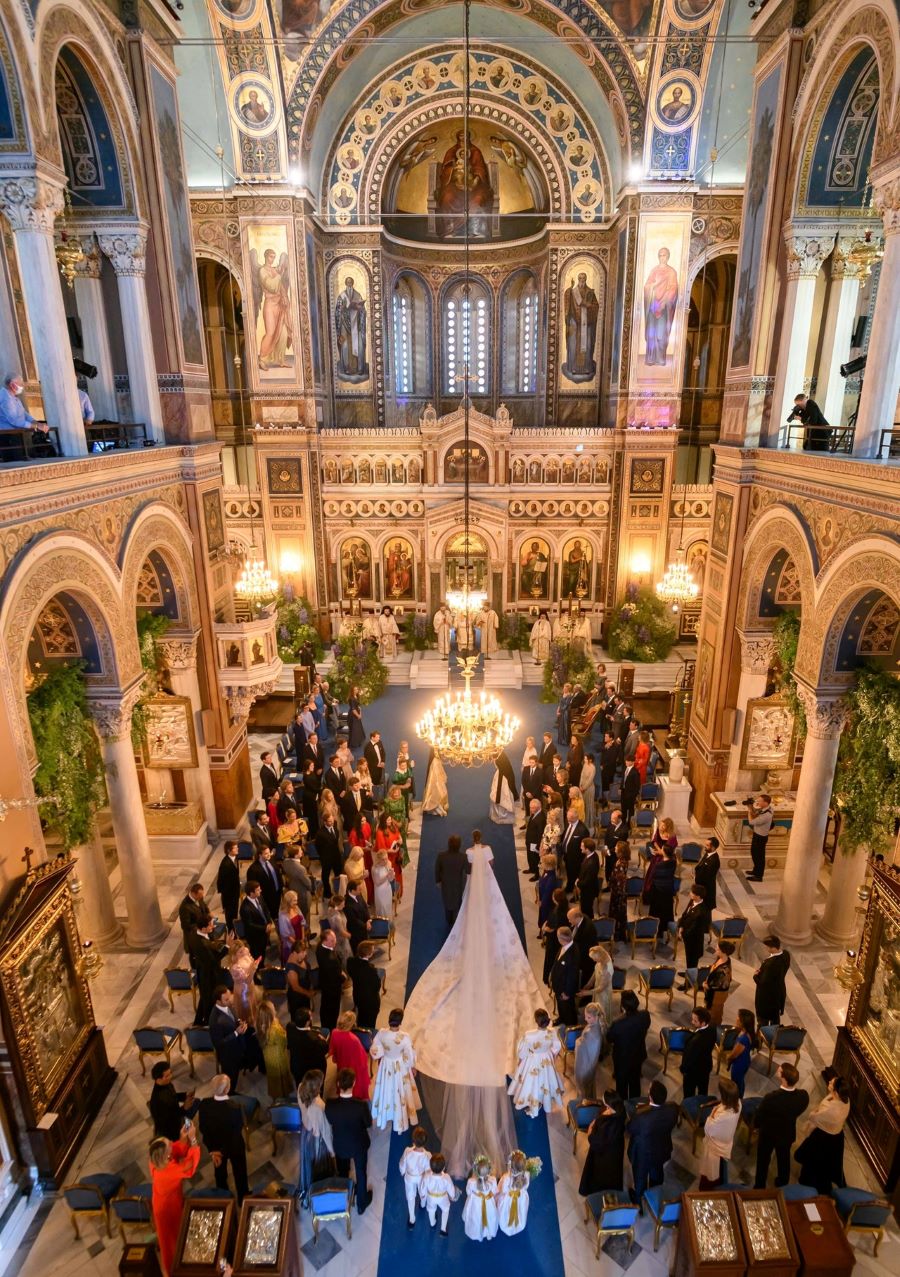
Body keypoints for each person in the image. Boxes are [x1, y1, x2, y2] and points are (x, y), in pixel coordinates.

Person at [148, 1128, 201, 1275]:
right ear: (165, 1155)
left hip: (165, 1200)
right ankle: (175, 1270)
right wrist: (193, 1139)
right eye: (168, 1143)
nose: (172, 1142)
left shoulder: (156, 1160)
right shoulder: (169, 1170)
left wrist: (183, 1138)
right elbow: (189, 1166)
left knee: (175, 1237)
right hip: (168, 1209)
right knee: (171, 1242)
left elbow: (174, 1150)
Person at [753, 1062, 809, 1187]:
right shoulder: (803, 1096)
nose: (777, 1070)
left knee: (763, 1160)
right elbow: (800, 1110)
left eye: (779, 1070)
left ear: (783, 1078)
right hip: (786, 1134)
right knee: (784, 1159)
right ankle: (783, 1182)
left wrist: (756, 1126)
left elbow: (759, 1116)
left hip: (768, 1134)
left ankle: (759, 1185)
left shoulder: (771, 1098)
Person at [325, 1067, 373, 1213]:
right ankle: (361, 1204)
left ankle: (343, 1197)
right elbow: (368, 1123)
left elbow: (331, 1121)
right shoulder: (360, 1106)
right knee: (361, 1172)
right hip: (358, 1144)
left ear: (338, 1085)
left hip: (340, 1144)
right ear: (354, 1083)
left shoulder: (330, 1105)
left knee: (343, 1171)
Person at [794, 1074, 850, 1194]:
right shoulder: (845, 1100)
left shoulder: (831, 1111)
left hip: (823, 1138)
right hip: (836, 1136)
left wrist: (814, 1112)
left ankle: (807, 1183)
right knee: (826, 1163)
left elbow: (814, 1117)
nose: (829, 1081)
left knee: (814, 1162)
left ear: (835, 1092)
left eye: (831, 1083)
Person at [198, 1073, 249, 1202]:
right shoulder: (236, 1108)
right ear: (227, 1089)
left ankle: (224, 1199)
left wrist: (214, 1151)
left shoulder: (204, 1104)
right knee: (240, 1173)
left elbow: (203, 1129)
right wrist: (222, 1151)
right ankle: (243, 1199)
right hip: (234, 1147)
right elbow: (234, 1135)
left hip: (215, 1147)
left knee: (220, 1175)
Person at [627, 1079, 679, 1202]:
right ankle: (655, 1194)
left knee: (640, 1177)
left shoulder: (641, 1117)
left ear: (650, 1097)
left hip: (643, 1153)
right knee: (657, 1172)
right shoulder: (672, 1109)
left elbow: (630, 1128)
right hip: (661, 1148)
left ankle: (638, 1199)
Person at [370, 1008, 421, 1131]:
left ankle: (386, 1113)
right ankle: (398, 1114)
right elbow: (409, 1055)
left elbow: (374, 1050)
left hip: (386, 1065)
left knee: (386, 1089)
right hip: (399, 1066)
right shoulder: (405, 1037)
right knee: (399, 1090)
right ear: (400, 1022)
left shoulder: (382, 1033)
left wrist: (383, 1053)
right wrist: (412, 1066)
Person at [509, 1008, 564, 1117]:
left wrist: (520, 1060)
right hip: (546, 1059)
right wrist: (551, 1054)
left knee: (532, 1081)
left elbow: (523, 1051)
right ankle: (544, 1098)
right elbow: (557, 1046)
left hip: (532, 1060)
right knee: (546, 1080)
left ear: (536, 1021)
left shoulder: (529, 1035)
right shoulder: (552, 1032)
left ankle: (534, 1102)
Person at [297, 1069, 335, 1206]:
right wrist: (331, 1151)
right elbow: (324, 1131)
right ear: (316, 1087)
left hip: (305, 1134)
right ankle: (319, 1195)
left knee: (307, 1165)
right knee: (319, 1169)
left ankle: (306, 1189)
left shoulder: (300, 1088)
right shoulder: (319, 1106)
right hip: (316, 1140)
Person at [578, 1090, 626, 1196]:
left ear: (609, 1105)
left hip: (605, 1153)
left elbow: (597, 1142)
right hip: (616, 1148)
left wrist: (590, 1133)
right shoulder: (621, 1110)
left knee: (602, 1172)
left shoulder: (608, 1126)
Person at [606, 989, 651, 1099]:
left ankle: (623, 1106)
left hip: (622, 1059)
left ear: (623, 1007)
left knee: (621, 1086)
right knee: (635, 1082)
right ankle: (635, 1103)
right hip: (638, 1054)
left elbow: (609, 1039)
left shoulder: (617, 1024)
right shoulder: (645, 1015)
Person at [698, 1079, 742, 1189]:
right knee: (722, 1168)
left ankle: (710, 1189)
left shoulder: (721, 1117)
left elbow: (708, 1128)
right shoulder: (739, 1104)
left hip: (715, 1147)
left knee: (711, 1173)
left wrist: (712, 1114)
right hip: (726, 1142)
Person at [0, 376, 55, 454]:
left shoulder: (14, 398)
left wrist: (37, 423)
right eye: (20, 384)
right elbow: (15, 421)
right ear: (12, 385)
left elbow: (25, 414)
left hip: (15, 435)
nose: (22, 386)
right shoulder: (5, 398)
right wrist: (35, 426)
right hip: (7, 437)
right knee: (16, 461)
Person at [189, 915, 228, 1026]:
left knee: (205, 997)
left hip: (210, 970)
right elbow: (212, 961)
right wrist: (227, 948)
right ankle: (207, 1022)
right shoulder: (199, 943)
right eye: (210, 924)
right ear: (203, 928)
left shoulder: (204, 933)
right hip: (207, 974)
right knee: (208, 998)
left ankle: (197, 1022)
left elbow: (213, 944)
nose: (213, 926)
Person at [208, 987, 248, 1093]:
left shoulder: (227, 1004)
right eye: (226, 999)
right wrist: (236, 1033)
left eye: (229, 997)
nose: (230, 1000)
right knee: (231, 1077)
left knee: (236, 1071)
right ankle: (230, 1093)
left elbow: (233, 1017)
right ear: (218, 1001)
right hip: (228, 1055)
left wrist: (240, 1023)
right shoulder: (215, 1020)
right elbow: (218, 1043)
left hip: (237, 1047)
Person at [148, 1062, 197, 1142]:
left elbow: (173, 1096)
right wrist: (184, 1108)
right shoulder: (160, 1100)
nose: (171, 1076)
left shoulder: (165, 1083)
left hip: (175, 1114)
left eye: (170, 1073)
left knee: (196, 1101)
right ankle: (187, 1130)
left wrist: (185, 1095)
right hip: (171, 1129)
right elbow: (171, 1118)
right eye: (167, 1076)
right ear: (158, 1079)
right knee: (190, 1126)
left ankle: (187, 1124)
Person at [256, 998, 293, 1099]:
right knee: (280, 1076)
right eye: (273, 1009)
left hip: (268, 1055)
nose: (275, 1010)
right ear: (270, 1014)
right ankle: (281, 1095)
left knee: (273, 1075)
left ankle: (275, 1093)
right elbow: (284, 1041)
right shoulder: (275, 1029)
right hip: (278, 1057)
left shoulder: (261, 1024)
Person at [329, 1010, 371, 1099]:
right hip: (353, 1064)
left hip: (341, 1061)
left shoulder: (334, 1032)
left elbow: (333, 1049)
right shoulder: (354, 1039)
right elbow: (362, 1058)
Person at [754, 934, 791, 1026]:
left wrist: (755, 976)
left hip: (767, 997)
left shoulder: (771, 964)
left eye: (767, 946)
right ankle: (774, 1034)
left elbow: (763, 984)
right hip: (778, 990)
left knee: (763, 1020)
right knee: (775, 1017)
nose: (766, 948)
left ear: (773, 948)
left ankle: (762, 1036)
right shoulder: (786, 954)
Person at [399, 1126, 432, 1229]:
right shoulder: (427, 1155)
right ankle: (422, 1204)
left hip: (409, 1177)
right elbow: (428, 1170)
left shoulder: (407, 1151)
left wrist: (402, 1171)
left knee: (410, 1196)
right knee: (423, 1191)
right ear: (425, 1142)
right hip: (421, 1177)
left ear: (413, 1140)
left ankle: (412, 1218)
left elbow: (402, 1163)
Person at [462, 1153, 500, 1242]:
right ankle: (489, 1233)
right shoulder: (493, 1180)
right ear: (489, 1170)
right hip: (488, 1201)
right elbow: (494, 1191)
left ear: (475, 1171)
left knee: (476, 1217)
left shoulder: (471, 1182)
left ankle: (478, 1234)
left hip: (476, 1203)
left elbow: (468, 1192)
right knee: (490, 1215)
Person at [681, 1007, 716, 1099]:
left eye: (695, 1021)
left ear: (703, 1023)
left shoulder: (696, 1041)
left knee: (688, 1094)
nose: (692, 1022)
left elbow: (689, 1058)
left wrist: (683, 1069)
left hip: (693, 1072)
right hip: (706, 1066)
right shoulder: (712, 1028)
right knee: (703, 1091)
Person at [644, 841, 677, 937]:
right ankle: (666, 928)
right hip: (668, 891)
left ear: (664, 852)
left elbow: (654, 877)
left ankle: (656, 931)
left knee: (657, 912)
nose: (660, 850)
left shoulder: (659, 865)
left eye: (662, 849)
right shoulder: (673, 862)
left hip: (658, 892)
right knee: (666, 911)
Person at [287, 1009, 328, 1087]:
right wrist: (322, 1039)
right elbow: (325, 1049)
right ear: (307, 1022)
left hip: (296, 1066)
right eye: (311, 1017)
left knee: (299, 1084)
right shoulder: (315, 1039)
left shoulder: (289, 1027)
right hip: (311, 1069)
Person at [420, 1152, 458, 1235]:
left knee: (431, 1210)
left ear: (430, 1167)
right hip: (443, 1197)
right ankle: (443, 1229)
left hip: (431, 1197)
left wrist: (422, 1194)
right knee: (445, 1210)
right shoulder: (446, 1177)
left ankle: (432, 1223)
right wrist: (452, 1195)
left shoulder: (427, 1176)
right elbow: (450, 1188)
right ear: (444, 1168)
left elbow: (423, 1187)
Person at [435, 833, 467, 929]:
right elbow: (468, 870)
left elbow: (437, 869)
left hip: (446, 884)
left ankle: (448, 920)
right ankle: (455, 921)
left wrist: (438, 881)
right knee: (457, 901)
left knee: (447, 900)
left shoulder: (441, 856)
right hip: (457, 884)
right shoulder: (463, 857)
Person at [677, 884, 711, 974]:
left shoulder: (701, 911)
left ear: (698, 896)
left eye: (692, 892)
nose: (690, 893)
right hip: (687, 936)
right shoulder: (692, 901)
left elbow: (694, 929)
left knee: (692, 962)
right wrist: (681, 927)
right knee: (688, 959)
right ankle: (688, 973)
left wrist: (682, 934)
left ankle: (688, 981)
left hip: (694, 941)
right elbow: (685, 915)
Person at [550, 926, 581, 1026]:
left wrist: (567, 992)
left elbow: (572, 976)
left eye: (558, 936)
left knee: (567, 1008)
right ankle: (562, 1018)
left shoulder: (573, 953)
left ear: (562, 939)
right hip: (559, 986)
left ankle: (570, 1025)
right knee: (561, 1005)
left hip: (565, 989)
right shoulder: (565, 946)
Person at [574, 1002, 604, 1101]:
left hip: (586, 1064)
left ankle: (584, 1102)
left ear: (596, 1017)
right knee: (589, 1084)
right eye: (585, 1016)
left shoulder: (592, 1034)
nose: (586, 1019)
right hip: (591, 1061)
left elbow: (581, 1046)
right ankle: (589, 1099)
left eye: (589, 1017)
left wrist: (577, 1041)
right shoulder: (596, 1025)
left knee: (583, 1084)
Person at [317, 930, 346, 1031]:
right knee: (333, 1010)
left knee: (325, 1006)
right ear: (325, 941)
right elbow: (338, 976)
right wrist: (343, 977)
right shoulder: (331, 959)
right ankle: (331, 1028)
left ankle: (325, 1026)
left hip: (324, 983)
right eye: (332, 940)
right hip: (333, 988)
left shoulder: (319, 947)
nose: (335, 942)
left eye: (335, 939)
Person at [497, 1149, 530, 1237]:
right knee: (520, 1209)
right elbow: (526, 1187)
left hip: (508, 1198)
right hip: (520, 1197)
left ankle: (505, 1222)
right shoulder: (526, 1175)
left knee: (505, 1209)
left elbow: (502, 1190)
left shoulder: (507, 1177)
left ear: (511, 1166)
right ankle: (519, 1222)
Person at [703, 939, 734, 1026]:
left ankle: (712, 1029)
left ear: (723, 952)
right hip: (714, 993)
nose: (715, 949)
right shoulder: (723, 958)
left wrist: (705, 985)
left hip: (716, 997)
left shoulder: (724, 970)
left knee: (713, 1015)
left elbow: (722, 986)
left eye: (717, 948)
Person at [727, 1009, 758, 1099]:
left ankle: (737, 1099)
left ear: (743, 1022)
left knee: (736, 1083)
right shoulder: (747, 1032)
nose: (736, 1019)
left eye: (738, 1018)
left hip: (739, 1064)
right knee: (740, 1081)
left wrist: (729, 1058)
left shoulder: (743, 1039)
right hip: (744, 1060)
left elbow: (734, 1055)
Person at [247, 845, 282, 918]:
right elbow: (252, 885)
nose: (269, 854)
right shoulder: (253, 869)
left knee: (276, 913)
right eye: (266, 853)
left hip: (277, 893)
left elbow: (278, 874)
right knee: (268, 916)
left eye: (269, 852)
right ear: (260, 855)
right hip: (265, 897)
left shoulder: (272, 860)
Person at [239, 882, 272, 961]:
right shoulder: (245, 908)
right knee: (257, 956)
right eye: (258, 890)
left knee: (263, 953)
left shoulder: (259, 897)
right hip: (255, 937)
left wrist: (269, 922)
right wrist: (265, 928)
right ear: (251, 893)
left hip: (264, 932)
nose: (260, 890)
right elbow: (250, 925)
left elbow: (266, 910)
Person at [745, 793, 774, 881]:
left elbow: (751, 822)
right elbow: (756, 813)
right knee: (754, 854)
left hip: (760, 837)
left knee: (759, 856)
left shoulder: (766, 815)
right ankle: (755, 871)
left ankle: (758, 876)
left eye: (760, 801)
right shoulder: (768, 809)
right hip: (758, 835)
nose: (757, 802)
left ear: (765, 803)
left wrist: (749, 812)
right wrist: (750, 807)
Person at [561, 806, 590, 890]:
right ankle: (570, 886)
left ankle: (574, 890)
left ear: (575, 817)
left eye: (569, 818)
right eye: (567, 817)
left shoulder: (583, 830)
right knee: (569, 873)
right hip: (567, 855)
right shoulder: (569, 823)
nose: (567, 819)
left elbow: (585, 848)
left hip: (576, 858)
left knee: (575, 874)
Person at [284, 938, 314, 1020]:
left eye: (305, 951)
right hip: (297, 999)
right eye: (302, 953)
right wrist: (308, 993)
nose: (305, 954)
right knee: (300, 1021)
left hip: (304, 995)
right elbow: (295, 987)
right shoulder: (291, 968)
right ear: (294, 953)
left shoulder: (300, 957)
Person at [489, 748, 519, 824]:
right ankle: (498, 814)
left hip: (504, 778)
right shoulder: (498, 755)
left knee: (503, 795)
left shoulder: (500, 757)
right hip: (500, 774)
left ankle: (504, 815)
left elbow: (505, 769)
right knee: (496, 793)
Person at [217, 841, 241, 932]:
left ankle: (234, 928)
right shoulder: (225, 864)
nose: (238, 849)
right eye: (235, 848)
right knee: (230, 914)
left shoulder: (235, 858)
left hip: (234, 891)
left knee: (234, 913)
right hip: (229, 895)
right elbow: (222, 882)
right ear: (229, 851)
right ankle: (231, 931)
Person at [609, 841, 630, 941]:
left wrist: (618, 894)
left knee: (618, 913)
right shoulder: (620, 860)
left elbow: (621, 882)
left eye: (616, 847)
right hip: (616, 891)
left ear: (621, 851)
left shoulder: (621, 864)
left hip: (619, 894)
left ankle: (618, 933)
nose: (615, 848)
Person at [576, 837, 602, 920]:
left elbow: (587, 881)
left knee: (587, 910)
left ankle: (589, 924)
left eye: (582, 846)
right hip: (587, 886)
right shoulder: (592, 854)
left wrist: (577, 883)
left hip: (588, 890)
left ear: (587, 849)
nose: (580, 847)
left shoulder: (591, 864)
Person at [277, 890, 305, 964]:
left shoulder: (296, 908)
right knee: (293, 962)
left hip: (300, 937)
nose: (297, 902)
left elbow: (302, 922)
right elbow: (286, 935)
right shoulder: (283, 915)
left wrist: (302, 938)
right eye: (294, 900)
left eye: (297, 900)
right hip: (291, 942)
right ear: (288, 901)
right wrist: (297, 945)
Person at [178, 882, 207, 955]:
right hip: (194, 935)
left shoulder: (199, 897)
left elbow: (203, 905)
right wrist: (199, 930)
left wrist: (208, 913)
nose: (202, 896)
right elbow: (185, 925)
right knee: (196, 953)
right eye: (200, 895)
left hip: (203, 928)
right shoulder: (185, 907)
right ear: (193, 894)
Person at [693, 836, 721, 910]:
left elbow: (707, 877)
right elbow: (701, 865)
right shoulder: (708, 853)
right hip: (702, 886)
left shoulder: (714, 861)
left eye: (707, 845)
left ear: (713, 848)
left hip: (706, 890)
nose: (705, 847)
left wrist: (696, 878)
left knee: (704, 909)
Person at [422, 746, 449, 817]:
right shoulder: (434, 762)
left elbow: (440, 771)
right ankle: (437, 809)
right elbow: (435, 775)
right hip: (435, 782)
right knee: (437, 794)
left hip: (438, 781)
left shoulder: (437, 760)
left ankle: (439, 808)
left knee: (441, 793)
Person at [524, 797, 547, 881]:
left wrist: (538, 845)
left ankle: (537, 874)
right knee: (530, 856)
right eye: (530, 807)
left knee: (536, 858)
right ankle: (531, 869)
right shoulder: (535, 813)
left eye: (533, 808)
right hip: (530, 841)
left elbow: (541, 834)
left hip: (535, 843)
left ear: (539, 807)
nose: (531, 809)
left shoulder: (541, 818)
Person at [620, 759, 640, 826]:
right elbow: (623, 779)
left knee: (630, 810)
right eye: (626, 761)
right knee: (623, 808)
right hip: (623, 792)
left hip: (630, 794)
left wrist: (634, 795)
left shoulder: (635, 772)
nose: (626, 762)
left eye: (628, 761)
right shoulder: (625, 769)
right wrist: (620, 788)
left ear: (632, 762)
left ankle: (629, 824)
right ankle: (623, 823)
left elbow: (637, 785)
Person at [580, 753, 597, 831]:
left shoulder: (593, 768)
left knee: (588, 805)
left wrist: (584, 788)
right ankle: (584, 821)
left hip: (589, 789)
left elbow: (590, 780)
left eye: (586, 759)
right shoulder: (585, 765)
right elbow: (582, 776)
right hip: (582, 788)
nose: (584, 760)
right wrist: (580, 785)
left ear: (590, 760)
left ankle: (589, 823)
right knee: (584, 804)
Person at [347, 684, 365, 749]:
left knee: (358, 728)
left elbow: (358, 706)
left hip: (357, 714)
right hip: (353, 716)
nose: (356, 691)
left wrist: (360, 713)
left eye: (357, 689)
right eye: (355, 690)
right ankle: (352, 744)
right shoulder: (351, 699)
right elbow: (353, 709)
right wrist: (358, 715)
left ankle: (358, 741)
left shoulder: (357, 696)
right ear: (352, 691)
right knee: (354, 730)